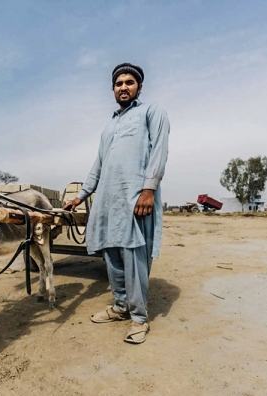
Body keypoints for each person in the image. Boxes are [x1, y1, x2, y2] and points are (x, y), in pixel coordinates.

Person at [63, 62, 170, 344]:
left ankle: (138, 317)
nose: (123, 87)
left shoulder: (151, 111)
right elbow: (98, 165)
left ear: (139, 87)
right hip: (108, 202)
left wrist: (148, 190)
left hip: (135, 198)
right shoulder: (109, 125)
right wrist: (81, 195)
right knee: (111, 257)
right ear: (113, 89)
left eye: (129, 82)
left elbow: (159, 151)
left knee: (134, 259)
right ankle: (121, 307)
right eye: (118, 83)